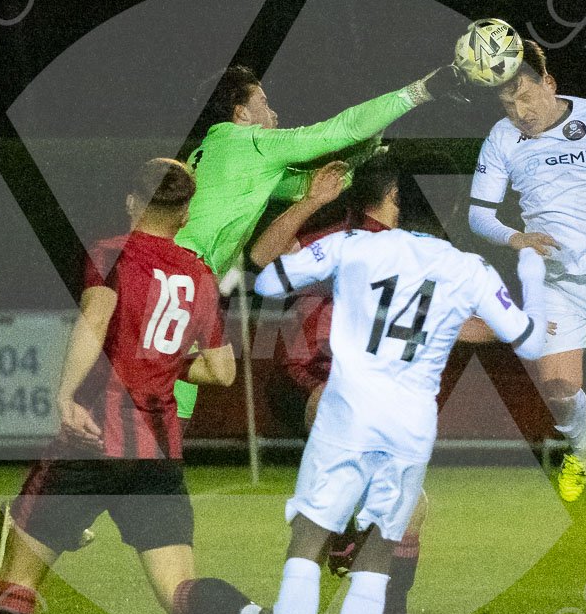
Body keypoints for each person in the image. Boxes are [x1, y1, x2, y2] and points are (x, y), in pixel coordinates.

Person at [0, 159, 280, 614]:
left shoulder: (114, 250)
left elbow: (95, 318)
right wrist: (161, 361)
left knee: (18, 582)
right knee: (179, 594)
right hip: (155, 455)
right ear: (185, 214)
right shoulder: (199, 273)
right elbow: (220, 370)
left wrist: (65, 396)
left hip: (86, 446)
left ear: (133, 203)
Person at [252, 160, 544, 614]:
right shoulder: (466, 267)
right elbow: (526, 338)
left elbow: (263, 281)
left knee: (305, 543)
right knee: (379, 554)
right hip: (411, 421)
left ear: (386, 200)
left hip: (348, 409)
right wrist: (535, 274)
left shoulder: (352, 246)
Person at [171, 61, 468, 420]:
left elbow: (309, 187)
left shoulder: (214, 151)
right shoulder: (248, 141)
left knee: (170, 400)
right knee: (165, 399)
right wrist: (423, 90)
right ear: (242, 113)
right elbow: (339, 130)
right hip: (182, 276)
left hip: (183, 278)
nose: (274, 112)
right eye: (264, 102)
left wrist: (363, 157)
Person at [251, 152, 457, 614]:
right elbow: (264, 257)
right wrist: (312, 201)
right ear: (393, 197)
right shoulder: (341, 239)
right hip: (324, 384)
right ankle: (333, 573)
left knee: (408, 510)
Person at [467, 39, 586, 571]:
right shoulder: (502, 139)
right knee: (556, 385)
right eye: (507, 105)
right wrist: (513, 238)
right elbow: (482, 215)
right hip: (554, 279)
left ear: (549, 84)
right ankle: (579, 439)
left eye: (525, 98)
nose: (519, 113)